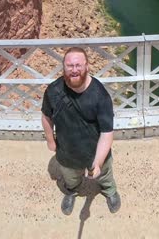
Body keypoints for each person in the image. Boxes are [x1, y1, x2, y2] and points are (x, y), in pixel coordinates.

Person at [41, 47, 121, 215]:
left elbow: (107, 133)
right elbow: (46, 116)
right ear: (63, 67)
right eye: (70, 66)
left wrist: (98, 162)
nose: (74, 70)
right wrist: (50, 140)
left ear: (87, 66)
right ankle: (71, 190)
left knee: (105, 175)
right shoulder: (53, 91)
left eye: (78, 65)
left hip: (95, 152)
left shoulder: (100, 95)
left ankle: (109, 190)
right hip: (66, 152)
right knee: (70, 178)